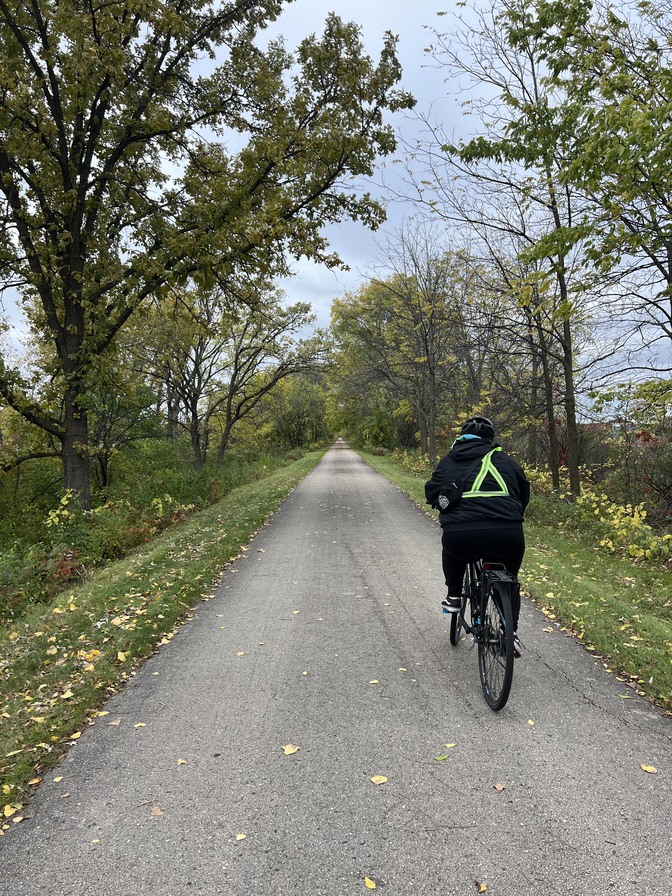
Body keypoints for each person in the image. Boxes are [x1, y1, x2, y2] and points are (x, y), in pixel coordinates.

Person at [425, 415, 530, 655]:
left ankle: (453, 596)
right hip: (508, 532)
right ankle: (510, 633)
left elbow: (431, 491)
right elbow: (524, 495)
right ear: (490, 440)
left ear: (461, 438)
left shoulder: (449, 461)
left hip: (462, 534)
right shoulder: (506, 461)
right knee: (509, 579)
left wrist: (437, 501)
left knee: (453, 547)